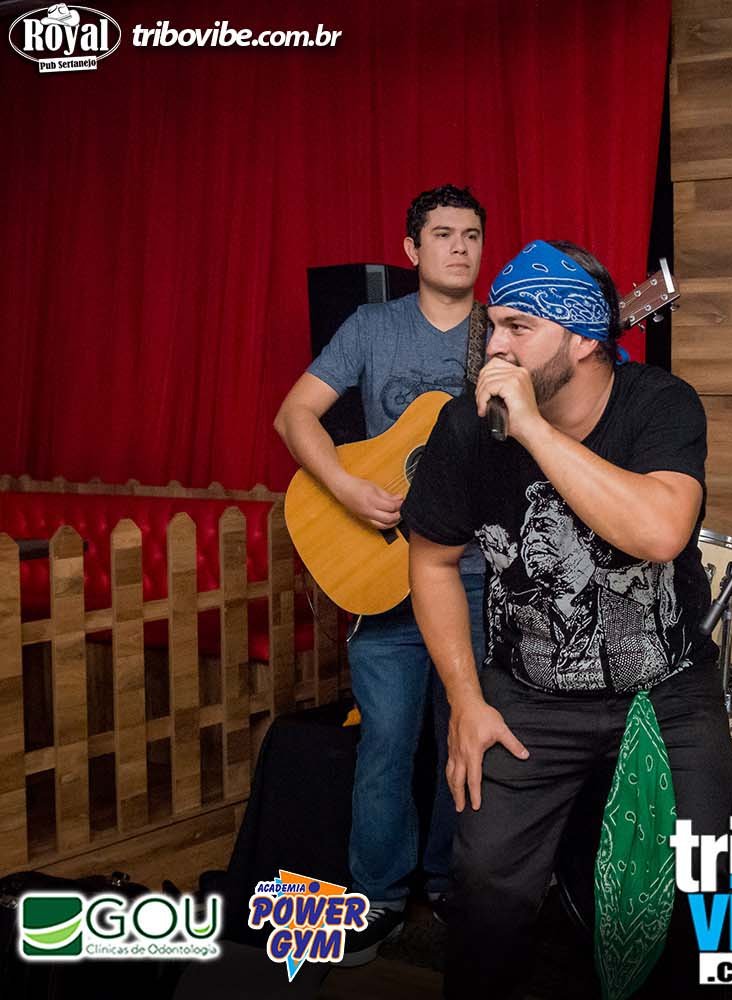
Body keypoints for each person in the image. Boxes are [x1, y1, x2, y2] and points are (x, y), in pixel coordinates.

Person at [400, 239, 732, 999]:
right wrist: (466, 701)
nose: (495, 346)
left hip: (665, 691)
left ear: (584, 339)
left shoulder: (660, 405)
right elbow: (431, 561)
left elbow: (659, 532)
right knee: (486, 887)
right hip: (529, 696)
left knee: (697, 881)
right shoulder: (464, 428)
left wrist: (533, 429)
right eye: (493, 326)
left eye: (519, 327)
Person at [273, 184, 490, 963]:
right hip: (384, 569)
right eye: (443, 234)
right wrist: (343, 485)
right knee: (386, 744)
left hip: (474, 574)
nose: (459, 246)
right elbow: (294, 414)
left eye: (472, 234)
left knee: (465, 738)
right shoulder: (372, 327)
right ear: (411, 249)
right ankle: (378, 898)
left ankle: (453, 886)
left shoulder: (502, 335)